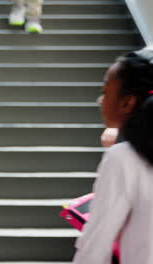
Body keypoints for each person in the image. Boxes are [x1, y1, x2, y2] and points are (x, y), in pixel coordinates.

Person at [72, 49, 153, 263]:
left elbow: (95, 245)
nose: (100, 100)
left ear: (127, 103)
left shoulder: (124, 159)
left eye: (105, 91)